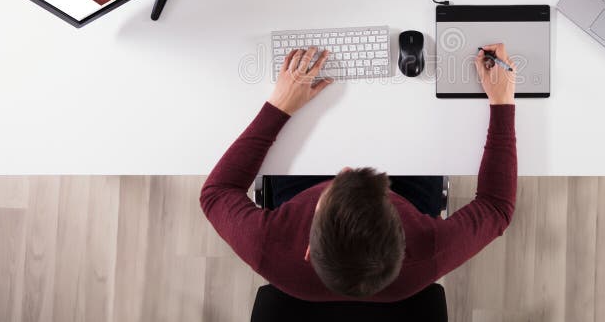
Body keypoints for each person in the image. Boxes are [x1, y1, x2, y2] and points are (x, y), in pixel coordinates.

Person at [200, 43, 518, 302]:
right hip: (404, 195)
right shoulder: (426, 249)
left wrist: (279, 106)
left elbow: (216, 193)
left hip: (304, 194)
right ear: (404, 237)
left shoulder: (268, 244)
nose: (347, 168)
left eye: (339, 182)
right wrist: (502, 102)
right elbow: (496, 207)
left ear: (307, 250)